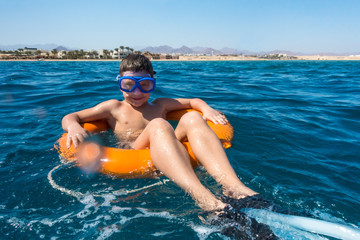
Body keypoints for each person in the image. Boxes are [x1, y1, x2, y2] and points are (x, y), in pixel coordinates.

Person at [62, 54, 257, 211]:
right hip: (133, 151)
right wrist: (73, 127)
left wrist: (206, 110)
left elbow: (193, 102)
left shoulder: (161, 105)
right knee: (159, 125)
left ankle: (235, 188)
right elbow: (71, 116)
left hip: (165, 146)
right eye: (128, 85)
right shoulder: (114, 108)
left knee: (192, 118)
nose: (137, 92)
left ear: (153, 83)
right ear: (119, 83)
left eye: (144, 85)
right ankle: (204, 199)